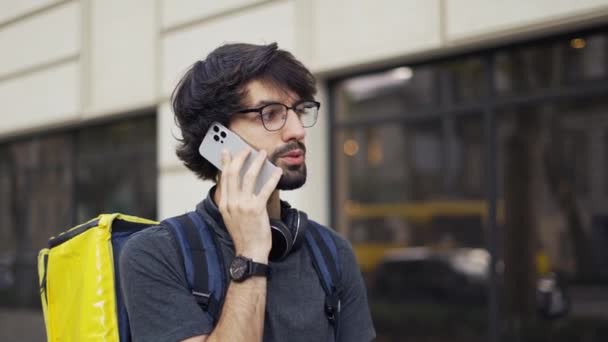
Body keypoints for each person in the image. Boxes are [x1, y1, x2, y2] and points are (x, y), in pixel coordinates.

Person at [119, 42, 376, 342]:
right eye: (270, 113)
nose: (297, 130)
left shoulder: (331, 252)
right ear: (219, 138)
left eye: (299, 110)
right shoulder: (155, 255)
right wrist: (251, 253)